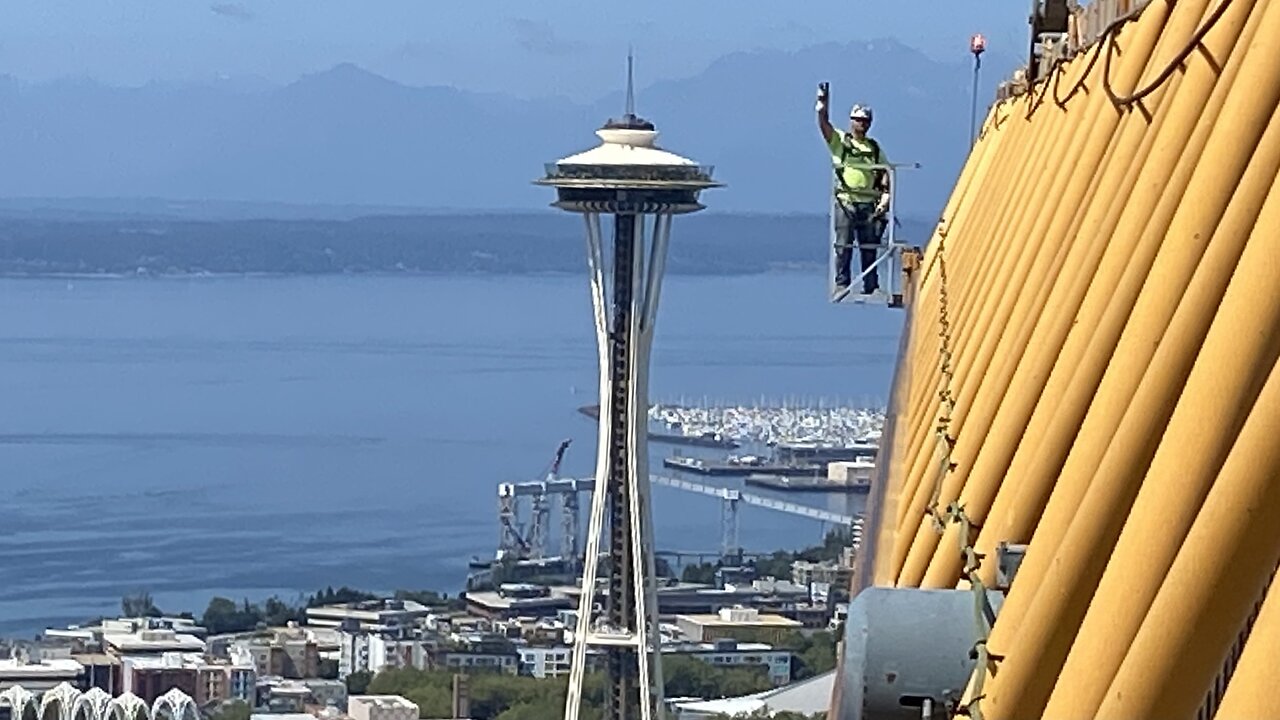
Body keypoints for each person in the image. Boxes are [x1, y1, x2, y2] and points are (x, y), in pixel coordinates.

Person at [816, 82, 891, 298]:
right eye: (858, 120)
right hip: (846, 201)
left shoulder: (873, 148)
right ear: (852, 121)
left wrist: (885, 197)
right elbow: (824, 125)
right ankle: (842, 283)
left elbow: (885, 171)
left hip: (868, 203)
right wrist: (822, 105)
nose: (862, 124)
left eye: (865, 121)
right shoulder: (841, 142)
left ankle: (871, 285)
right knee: (844, 244)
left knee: (869, 246)